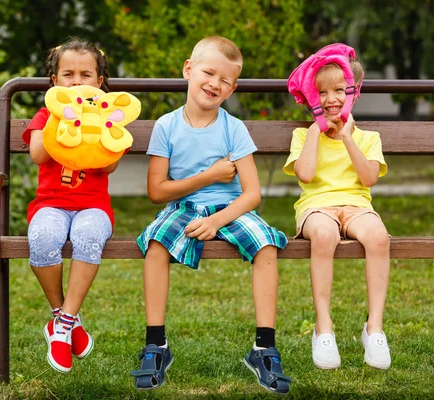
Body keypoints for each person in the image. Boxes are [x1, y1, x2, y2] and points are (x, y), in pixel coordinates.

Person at [130, 36, 292, 394]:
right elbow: (157, 190)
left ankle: (264, 348)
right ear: (189, 69)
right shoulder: (167, 126)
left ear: (232, 88)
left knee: (266, 244)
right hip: (183, 207)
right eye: (208, 72)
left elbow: (252, 194)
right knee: (156, 244)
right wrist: (208, 176)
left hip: (230, 208)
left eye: (225, 80)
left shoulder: (233, 128)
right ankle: (156, 345)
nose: (214, 84)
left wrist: (218, 220)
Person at [283, 45, 392, 370]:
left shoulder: (368, 137)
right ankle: (323, 326)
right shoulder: (303, 135)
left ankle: (374, 328)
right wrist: (317, 130)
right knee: (325, 235)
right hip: (317, 208)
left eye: (339, 91)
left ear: (354, 93)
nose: (331, 99)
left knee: (378, 237)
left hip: (357, 205)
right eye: (322, 92)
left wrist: (347, 138)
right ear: (311, 97)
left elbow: (369, 178)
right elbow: (305, 174)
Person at [21, 37, 117, 374]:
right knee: (44, 237)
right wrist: (60, 117)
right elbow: (37, 154)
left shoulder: (105, 117)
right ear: (54, 82)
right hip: (51, 203)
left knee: (89, 235)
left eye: (86, 75)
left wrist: (97, 124)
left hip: (93, 206)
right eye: (68, 75)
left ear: (99, 82)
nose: (77, 82)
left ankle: (63, 324)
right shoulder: (45, 114)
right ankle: (62, 318)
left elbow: (108, 166)